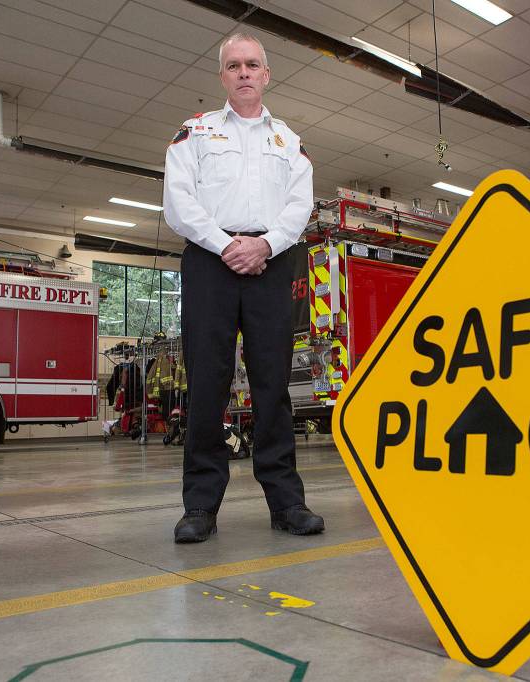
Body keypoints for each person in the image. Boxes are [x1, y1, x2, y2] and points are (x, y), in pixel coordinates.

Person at [163, 33, 324, 543]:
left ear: (267, 74)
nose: (244, 72)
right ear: (222, 76)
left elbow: (299, 205)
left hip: (270, 265)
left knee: (273, 385)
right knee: (207, 384)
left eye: (253, 64)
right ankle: (200, 506)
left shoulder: (289, 141)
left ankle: (287, 502)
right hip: (209, 262)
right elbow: (178, 203)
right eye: (234, 65)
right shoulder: (195, 132)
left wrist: (265, 245)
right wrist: (226, 245)